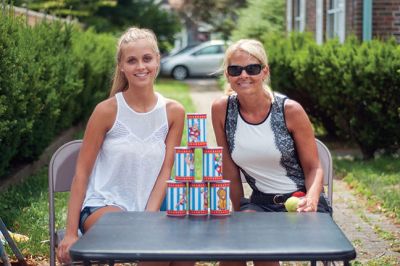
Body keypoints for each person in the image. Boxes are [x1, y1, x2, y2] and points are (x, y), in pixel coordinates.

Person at [57, 27, 187, 265]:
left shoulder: (174, 112)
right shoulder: (106, 111)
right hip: (105, 206)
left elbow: (166, 171)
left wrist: (149, 217)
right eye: (132, 60)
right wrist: (69, 233)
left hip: (150, 206)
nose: (140, 67)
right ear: (121, 66)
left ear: (157, 61)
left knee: (182, 254)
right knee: (147, 243)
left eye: (147, 58)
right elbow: (81, 173)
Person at [211, 39, 331, 266]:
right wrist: (238, 216)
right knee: (232, 250)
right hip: (260, 204)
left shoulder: (290, 110)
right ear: (227, 75)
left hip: (300, 201)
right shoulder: (221, 109)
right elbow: (228, 169)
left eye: (252, 68)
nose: (243, 75)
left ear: (264, 71)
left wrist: (312, 199)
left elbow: (314, 167)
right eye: (235, 69)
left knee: (260, 248)